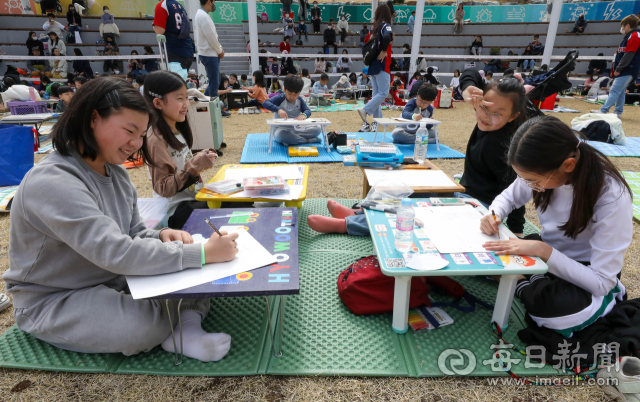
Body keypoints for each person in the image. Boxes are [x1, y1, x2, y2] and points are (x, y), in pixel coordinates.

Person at [3, 77, 235, 362]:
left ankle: (184, 327)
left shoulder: (116, 172)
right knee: (141, 326)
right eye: (130, 131)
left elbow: (133, 232)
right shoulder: (53, 181)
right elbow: (115, 251)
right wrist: (200, 253)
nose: (136, 143)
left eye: (141, 134)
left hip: (115, 277)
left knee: (194, 281)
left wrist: (161, 236)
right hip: (57, 298)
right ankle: (179, 322)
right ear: (93, 118)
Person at [481, 116, 631, 337]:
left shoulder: (610, 195)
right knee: (485, 252)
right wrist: (493, 215)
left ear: (568, 165)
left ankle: (520, 281)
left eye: (533, 181)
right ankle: (529, 280)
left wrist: (542, 251)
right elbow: (508, 198)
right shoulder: (546, 171)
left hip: (587, 270)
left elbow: (601, 282)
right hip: (548, 252)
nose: (530, 186)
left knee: (556, 313)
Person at [457, 74, 528, 237]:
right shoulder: (488, 116)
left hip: (484, 208)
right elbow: (471, 73)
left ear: (513, 116)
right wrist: (467, 88)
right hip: (465, 191)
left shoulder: (502, 146)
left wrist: (516, 231)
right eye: (484, 107)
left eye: (497, 114)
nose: (486, 116)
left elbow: (516, 189)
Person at [145, 70, 217, 229]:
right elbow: (163, 188)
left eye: (186, 97)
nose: (186, 104)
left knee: (235, 201)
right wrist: (193, 167)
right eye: (180, 98)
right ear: (158, 103)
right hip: (175, 211)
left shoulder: (176, 128)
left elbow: (182, 164)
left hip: (192, 199)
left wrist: (200, 159)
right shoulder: (156, 139)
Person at [592, 15, 640, 118]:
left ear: (627, 25)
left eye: (622, 26)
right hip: (626, 69)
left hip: (627, 69)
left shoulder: (635, 36)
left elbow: (629, 55)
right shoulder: (629, 36)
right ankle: (618, 112)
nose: (621, 28)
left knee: (614, 90)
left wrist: (619, 69)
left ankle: (603, 110)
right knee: (621, 91)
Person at [357, 4, 394, 133]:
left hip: (372, 65)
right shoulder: (385, 26)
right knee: (383, 93)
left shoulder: (373, 28)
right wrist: (384, 50)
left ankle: (376, 125)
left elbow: (365, 42)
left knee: (377, 95)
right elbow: (388, 37)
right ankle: (365, 110)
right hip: (382, 64)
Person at [263, 74, 321, 146]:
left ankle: (292, 140)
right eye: (289, 93)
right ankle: (307, 140)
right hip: (281, 130)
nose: (292, 97)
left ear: (299, 92)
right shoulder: (280, 98)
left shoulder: (299, 100)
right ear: (284, 89)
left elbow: (307, 110)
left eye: (295, 94)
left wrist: (304, 115)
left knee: (317, 128)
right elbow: (265, 103)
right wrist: (278, 110)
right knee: (281, 135)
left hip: (296, 129)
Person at [153, 0, 195, 70]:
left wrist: (154, 26)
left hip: (175, 53)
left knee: (174, 80)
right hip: (188, 50)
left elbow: (160, 30)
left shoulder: (162, 5)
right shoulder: (179, 5)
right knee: (181, 80)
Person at [195, 0, 224, 99]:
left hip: (209, 53)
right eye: (214, 2)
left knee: (214, 82)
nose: (214, 4)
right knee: (214, 83)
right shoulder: (203, 16)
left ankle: (205, 102)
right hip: (209, 53)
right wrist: (220, 51)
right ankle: (214, 111)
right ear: (209, 2)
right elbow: (211, 37)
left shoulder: (202, 15)